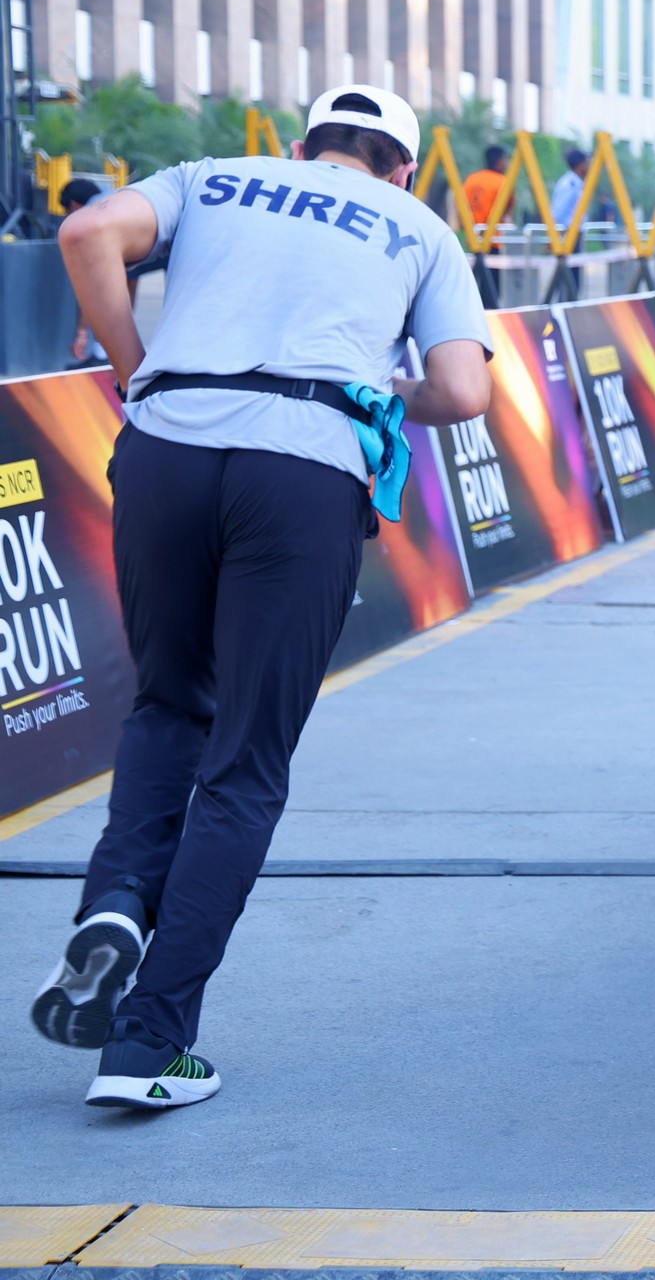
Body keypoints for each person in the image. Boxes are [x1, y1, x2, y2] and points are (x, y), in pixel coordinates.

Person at [30, 86, 494, 1109]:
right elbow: (464, 391)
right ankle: (148, 1044)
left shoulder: (211, 179)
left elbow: (86, 232)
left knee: (168, 705)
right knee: (245, 761)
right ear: (405, 169)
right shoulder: (419, 227)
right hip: (303, 469)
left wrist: (137, 367)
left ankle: (116, 902)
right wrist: (380, 390)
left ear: (297, 147)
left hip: (167, 446)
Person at [61, 178, 108, 365]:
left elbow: (92, 287)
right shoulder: (113, 199)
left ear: (74, 206)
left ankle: (105, 357)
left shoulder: (90, 222)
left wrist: (82, 331)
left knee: (103, 289)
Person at [461, 144, 513, 235]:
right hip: (494, 236)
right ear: (500, 161)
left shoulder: (471, 179)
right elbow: (508, 208)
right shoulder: (503, 182)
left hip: (472, 235)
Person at [550, 148, 589, 228]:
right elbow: (558, 212)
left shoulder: (577, 183)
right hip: (568, 231)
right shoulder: (569, 184)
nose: (588, 166)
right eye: (586, 163)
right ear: (579, 165)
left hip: (575, 230)